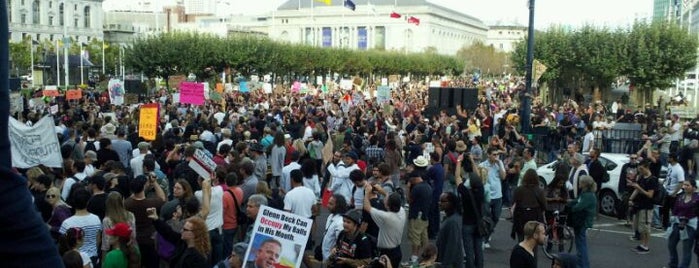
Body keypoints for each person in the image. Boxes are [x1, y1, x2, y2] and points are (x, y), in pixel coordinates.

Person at [124, 175, 167, 268]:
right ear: (143, 187)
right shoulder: (151, 203)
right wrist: (154, 182)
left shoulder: (127, 204)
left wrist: (143, 186)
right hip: (150, 239)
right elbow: (163, 198)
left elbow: (131, 197)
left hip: (134, 239)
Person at [362, 185, 406, 268]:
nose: (384, 198)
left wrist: (367, 192)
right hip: (397, 251)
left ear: (387, 206)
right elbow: (390, 198)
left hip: (387, 254)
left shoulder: (386, 217)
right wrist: (381, 190)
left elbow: (367, 207)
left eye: (386, 199)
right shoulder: (401, 211)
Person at [455, 152, 486, 268]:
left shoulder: (466, 193)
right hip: (478, 223)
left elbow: (457, 177)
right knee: (479, 250)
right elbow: (477, 177)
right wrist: (472, 161)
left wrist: (459, 161)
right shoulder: (481, 191)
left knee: (469, 251)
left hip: (467, 223)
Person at [59, 188, 102, 266]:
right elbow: (97, 241)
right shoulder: (96, 219)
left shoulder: (66, 223)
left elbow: (63, 244)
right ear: (88, 202)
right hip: (93, 259)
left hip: (73, 261)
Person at [667, 179, 699, 268]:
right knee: (671, 245)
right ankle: (673, 264)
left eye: (687, 185)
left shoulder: (697, 199)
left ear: (694, 187)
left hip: (690, 226)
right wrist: (672, 220)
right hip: (678, 223)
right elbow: (675, 210)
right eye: (684, 185)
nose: (684, 187)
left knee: (686, 249)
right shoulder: (680, 197)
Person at [407, 156, 432, 264]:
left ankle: (414, 259)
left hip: (416, 215)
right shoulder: (427, 185)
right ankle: (427, 258)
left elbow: (409, 200)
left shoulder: (417, 188)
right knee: (424, 237)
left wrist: (408, 188)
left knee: (415, 237)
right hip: (424, 215)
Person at [627, 159, 656, 254]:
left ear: (647, 167)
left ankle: (646, 246)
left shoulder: (652, 180)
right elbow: (637, 189)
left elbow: (650, 195)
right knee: (639, 227)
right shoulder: (642, 177)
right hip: (639, 205)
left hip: (647, 207)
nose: (640, 171)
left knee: (645, 227)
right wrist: (631, 199)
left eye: (642, 169)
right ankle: (642, 244)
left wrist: (639, 188)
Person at [568, 175, 597, 268]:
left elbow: (578, 206)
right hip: (582, 221)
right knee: (580, 244)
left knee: (581, 245)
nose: (579, 183)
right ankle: (582, 264)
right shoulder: (585, 193)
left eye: (580, 182)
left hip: (583, 222)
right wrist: (569, 201)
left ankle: (583, 265)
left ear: (584, 184)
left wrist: (570, 207)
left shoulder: (588, 196)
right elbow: (577, 201)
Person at [479, 147, 506, 248]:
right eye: (494, 155)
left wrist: (500, 164)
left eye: (497, 155)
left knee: (496, 217)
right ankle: (484, 238)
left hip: (498, 195)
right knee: (486, 217)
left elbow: (503, 177)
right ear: (488, 155)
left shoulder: (499, 164)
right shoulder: (482, 165)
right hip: (487, 195)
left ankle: (489, 232)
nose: (496, 157)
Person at [512, 169, 547, 242]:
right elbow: (544, 205)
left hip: (521, 217)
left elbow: (513, 203)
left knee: (521, 240)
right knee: (533, 241)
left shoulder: (519, 190)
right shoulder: (539, 190)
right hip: (535, 217)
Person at [101, 191, 136, 259]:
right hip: (130, 251)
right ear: (122, 201)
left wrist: (103, 260)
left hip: (114, 252)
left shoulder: (107, 220)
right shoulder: (131, 215)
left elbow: (106, 243)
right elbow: (133, 235)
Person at [436, 191, 464, 268]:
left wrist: (445, 264)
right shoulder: (450, 218)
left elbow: (452, 245)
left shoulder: (453, 222)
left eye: (443, 201)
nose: (439, 203)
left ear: (450, 203)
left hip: (450, 263)